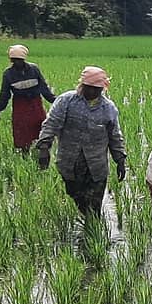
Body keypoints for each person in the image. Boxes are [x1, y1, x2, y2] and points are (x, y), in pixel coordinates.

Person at [37, 66, 125, 218]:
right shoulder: (66, 101)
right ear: (82, 86)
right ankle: (89, 222)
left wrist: (120, 160)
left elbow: (115, 136)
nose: (92, 92)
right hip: (70, 162)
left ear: (102, 89)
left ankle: (94, 231)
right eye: (89, 88)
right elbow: (51, 124)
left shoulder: (108, 108)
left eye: (96, 89)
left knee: (94, 205)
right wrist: (44, 147)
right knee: (76, 195)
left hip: (96, 165)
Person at [0, 44, 57, 153]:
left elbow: (44, 88)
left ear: (24, 59)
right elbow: (4, 94)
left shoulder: (34, 69)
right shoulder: (8, 74)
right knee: (21, 129)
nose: (17, 63)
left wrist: (56, 101)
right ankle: (24, 153)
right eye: (14, 60)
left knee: (40, 125)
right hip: (20, 104)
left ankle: (42, 151)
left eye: (19, 60)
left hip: (35, 103)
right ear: (11, 60)